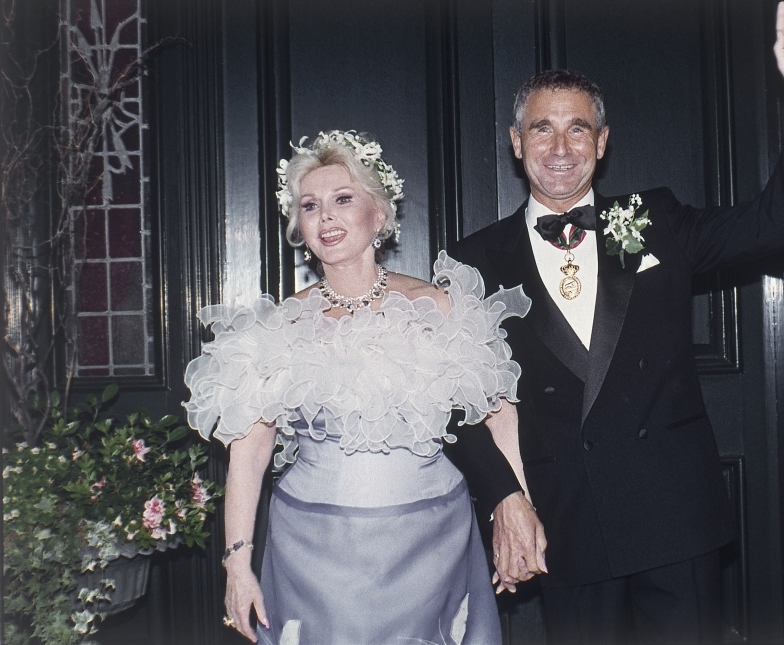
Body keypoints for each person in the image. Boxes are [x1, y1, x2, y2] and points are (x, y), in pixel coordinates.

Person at [445, 0, 784, 644]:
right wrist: (504, 498)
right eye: (542, 129)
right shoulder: (473, 261)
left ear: (602, 143)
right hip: (564, 525)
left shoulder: (656, 219)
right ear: (516, 143)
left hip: (674, 520)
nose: (560, 146)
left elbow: (780, 223)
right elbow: (453, 405)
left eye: (578, 129)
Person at [183, 130, 529, 645]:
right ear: (297, 225)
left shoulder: (441, 308)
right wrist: (237, 562)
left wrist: (516, 510)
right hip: (311, 555)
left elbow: (498, 412)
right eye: (310, 205)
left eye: (343, 199)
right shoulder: (279, 325)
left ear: (380, 214)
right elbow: (250, 450)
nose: (326, 217)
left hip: (432, 545)